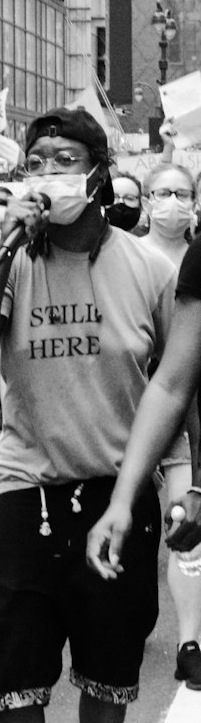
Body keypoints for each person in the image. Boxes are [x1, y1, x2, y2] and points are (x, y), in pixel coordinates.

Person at [0, 107, 173, 723]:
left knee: (110, 660)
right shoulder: (11, 258)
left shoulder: (148, 265)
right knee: (13, 658)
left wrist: (180, 484)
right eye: (37, 157)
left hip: (117, 492)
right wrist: (1, 246)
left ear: (97, 168)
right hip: (23, 487)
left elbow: (177, 388)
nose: (48, 169)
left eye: (65, 156)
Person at [110, 163, 201, 688]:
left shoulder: (198, 257)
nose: (172, 202)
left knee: (184, 524)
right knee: (130, 520)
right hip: (126, 410)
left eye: (182, 193)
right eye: (162, 192)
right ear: (146, 198)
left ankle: (189, 640)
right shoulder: (125, 257)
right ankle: (129, 607)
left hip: (188, 415)